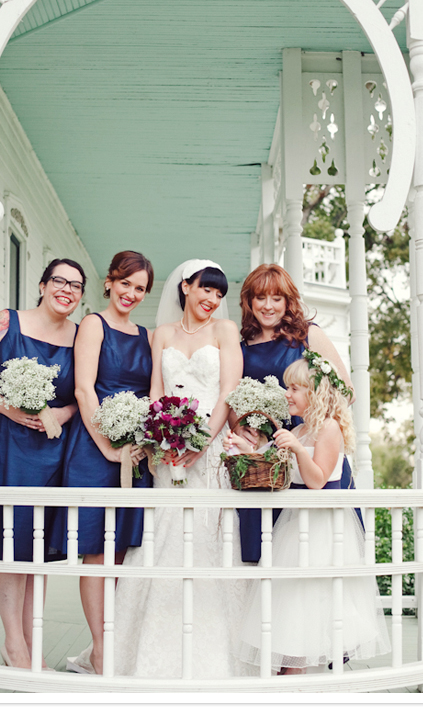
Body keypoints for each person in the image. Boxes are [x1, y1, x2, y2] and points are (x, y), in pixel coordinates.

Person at [112, 259, 248, 679]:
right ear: (186, 287)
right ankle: (142, 649)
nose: (212, 299)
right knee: (163, 537)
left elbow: (229, 390)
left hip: (208, 450)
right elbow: (156, 390)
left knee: (208, 538)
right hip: (166, 452)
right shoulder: (163, 335)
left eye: (219, 294)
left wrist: (200, 442)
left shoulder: (225, 332)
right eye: (205, 289)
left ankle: (216, 653)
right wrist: (158, 438)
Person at [0, 258, 86, 670]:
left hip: (50, 449)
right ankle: (14, 644)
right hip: (0, 442)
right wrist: (8, 408)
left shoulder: (82, 336)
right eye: (60, 281)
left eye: (76, 286)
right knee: (9, 543)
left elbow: (82, 394)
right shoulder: (6, 321)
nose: (67, 289)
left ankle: (33, 644)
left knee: (38, 549)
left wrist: (60, 415)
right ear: (43, 284)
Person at [235, 353, 390, 674]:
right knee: (290, 607)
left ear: (315, 393)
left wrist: (293, 448)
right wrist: (245, 450)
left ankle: (294, 678)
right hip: (294, 527)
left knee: (309, 604)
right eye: (287, 387)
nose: (287, 394)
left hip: (322, 530)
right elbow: (279, 469)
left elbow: (317, 479)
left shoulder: (328, 428)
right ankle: (289, 676)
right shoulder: (302, 428)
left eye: (295, 388)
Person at [62, 251, 154, 676]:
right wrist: (107, 448)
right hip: (96, 449)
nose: (130, 294)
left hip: (135, 455)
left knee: (122, 554)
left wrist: (139, 444)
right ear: (109, 282)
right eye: (125, 284)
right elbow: (84, 390)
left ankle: (112, 642)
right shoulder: (93, 326)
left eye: (139, 288)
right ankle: (100, 650)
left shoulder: (146, 335)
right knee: (97, 554)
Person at [231, 263, 358, 563]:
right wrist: (247, 431)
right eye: (260, 297)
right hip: (264, 460)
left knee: (317, 554)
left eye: (277, 298)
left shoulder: (308, 336)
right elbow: (234, 402)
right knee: (262, 551)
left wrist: (312, 422)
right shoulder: (242, 348)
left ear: (288, 301)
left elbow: (347, 390)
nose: (268, 306)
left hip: (311, 452)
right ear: (249, 301)